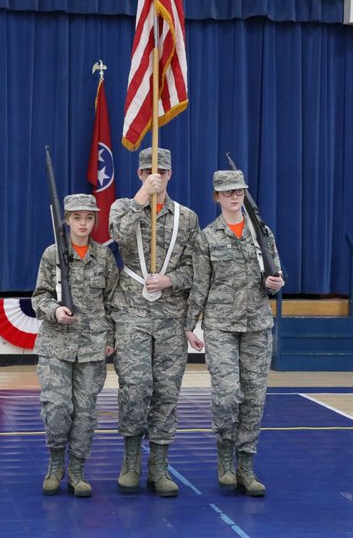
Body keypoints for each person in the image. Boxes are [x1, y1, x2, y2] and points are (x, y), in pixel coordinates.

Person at [108, 147, 201, 497]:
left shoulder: (186, 218)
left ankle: (159, 465)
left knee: (165, 391)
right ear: (139, 172)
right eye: (148, 169)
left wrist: (170, 280)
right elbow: (119, 236)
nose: (156, 174)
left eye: (161, 170)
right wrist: (142, 195)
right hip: (131, 312)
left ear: (171, 174)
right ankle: (131, 461)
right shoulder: (123, 206)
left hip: (170, 316)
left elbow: (197, 267)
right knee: (134, 387)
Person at [186, 169, 284, 496]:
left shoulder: (262, 233)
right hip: (221, 325)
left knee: (254, 399)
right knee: (228, 394)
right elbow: (199, 284)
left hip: (256, 324)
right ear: (216, 197)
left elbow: (276, 276)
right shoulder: (207, 237)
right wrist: (190, 324)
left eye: (239, 191)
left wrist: (275, 285)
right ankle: (224, 456)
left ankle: (246, 465)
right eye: (227, 192)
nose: (234, 196)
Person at [31, 194, 118, 497]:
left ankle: (77, 471)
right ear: (66, 220)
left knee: (85, 413)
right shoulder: (52, 254)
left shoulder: (104, 257)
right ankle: (56, 464)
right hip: (55, 344)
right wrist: (54, 311)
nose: (83, 223)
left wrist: (111, 338)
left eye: (89, 218)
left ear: (95, 221)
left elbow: (112, 302)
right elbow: (39, 296)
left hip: (92, 347)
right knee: (57, 408)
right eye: (77, 218)